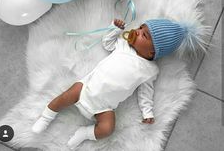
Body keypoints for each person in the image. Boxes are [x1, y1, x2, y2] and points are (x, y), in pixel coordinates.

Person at [31, 18, 191, 150]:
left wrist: (147, 112)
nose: (137, 31)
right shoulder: (123, 45)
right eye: (141, 27)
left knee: (107, 128)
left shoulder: (150, 70)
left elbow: (146, 92)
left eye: (145, 35)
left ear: (152, 52)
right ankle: (46, 117)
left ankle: (85, 133)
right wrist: (114, 29)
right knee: (65, 96)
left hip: (104, 107)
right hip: (85, 89)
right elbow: (107, 43)